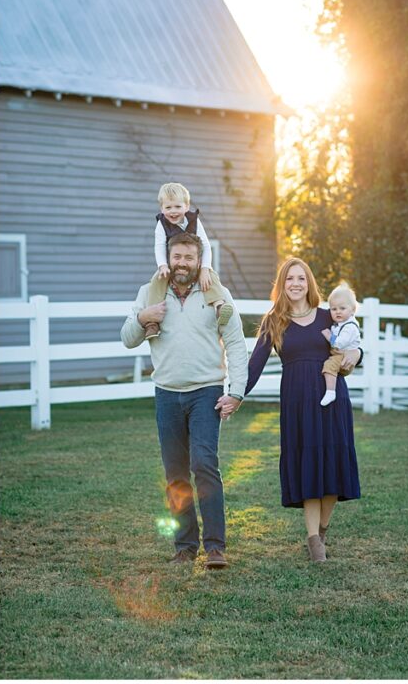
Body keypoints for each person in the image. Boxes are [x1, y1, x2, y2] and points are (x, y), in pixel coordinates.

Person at [121, 231, 248, 569]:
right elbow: (127, 339)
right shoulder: (150, 293)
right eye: (177, 257)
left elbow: (236, 342)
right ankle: (185, 547)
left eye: (189, 258)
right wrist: (143, 318)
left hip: (206, 392)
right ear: (168, 258)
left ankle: (216, 548)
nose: (182, 264)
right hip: (166, 395)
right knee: (176, 474)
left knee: (205, 465)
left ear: (198, 260)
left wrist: (236, 391)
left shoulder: (215, 294)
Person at [244, 258, 362, 563]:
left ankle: (322, 531)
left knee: (333, 466)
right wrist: (235, 394)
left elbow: (352, 343)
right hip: (297, 402)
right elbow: (255, 364)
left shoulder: (328, 317)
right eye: (289, 279)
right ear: (281, 285)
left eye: (301, 278)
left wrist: (357, 353)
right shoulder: (275, 320)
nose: (295, 284)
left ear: (309, 283)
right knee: (309, 466)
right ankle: (313, 541)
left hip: (332, 399)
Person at [144, 182, 234, 339]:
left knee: (211, 277)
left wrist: (205, 269)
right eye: (168, 207)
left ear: (186, 206)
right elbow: (158, 246)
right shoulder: (161, 224)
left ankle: (219, 306)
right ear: (162, 209)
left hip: (193, 265)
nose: (173, 212)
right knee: (156, 281)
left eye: (177, 207)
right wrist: (162, 265)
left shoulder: (194, 221)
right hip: (171, 265)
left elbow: (205, 245)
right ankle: (152, 323)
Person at [320, 282, 362, 407]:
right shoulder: (341, 323)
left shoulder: (350, 327)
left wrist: (329, 336)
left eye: (342, 308)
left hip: (343, 356)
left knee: (329, 366)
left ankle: (330, 392)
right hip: (340, 355)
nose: (338, 312)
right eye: (334, 309)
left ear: (353, 310)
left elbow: (339, 343)